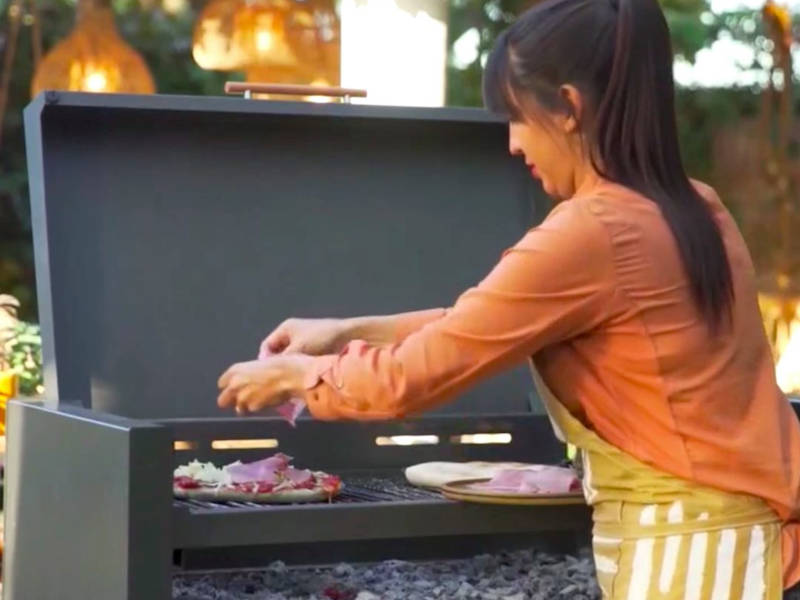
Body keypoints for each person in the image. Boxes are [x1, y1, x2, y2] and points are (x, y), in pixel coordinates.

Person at [216, 0, 800, 596]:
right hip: (736, 535)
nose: (514, 144)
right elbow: (490, 324)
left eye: (517, 118)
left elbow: (408, 381)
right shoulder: (694, 206)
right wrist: (345, 332)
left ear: (569, 108)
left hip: (690, 551)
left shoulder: (590, 231)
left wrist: (300, 376)